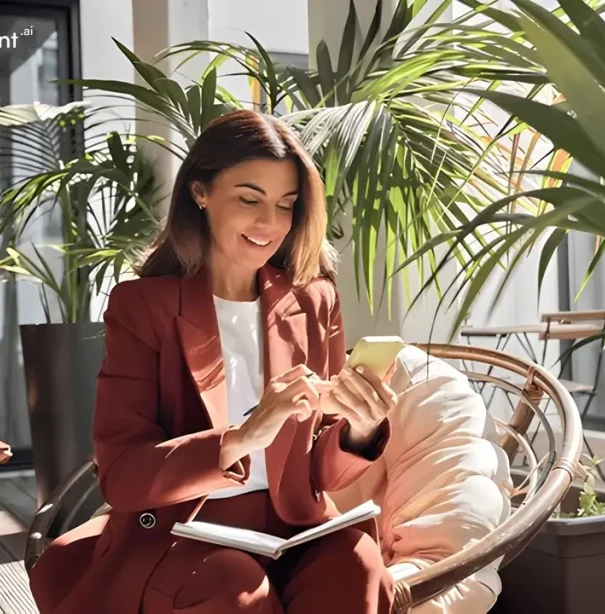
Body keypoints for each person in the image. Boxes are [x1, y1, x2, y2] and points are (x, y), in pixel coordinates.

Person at [27, 109, 397, 614]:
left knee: (356, 565)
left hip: (293, 526)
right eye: (249, 199)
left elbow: (323, 474)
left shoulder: (315, 300)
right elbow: (122, 475)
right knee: (234, 586)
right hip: (182, 531)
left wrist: (359, 431)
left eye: (286, 205)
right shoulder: (143, 307)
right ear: (200, 192)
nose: (270, 224)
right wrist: (240, 439)